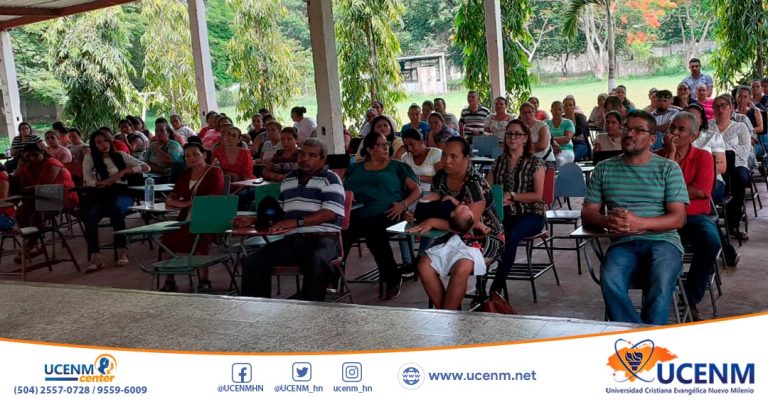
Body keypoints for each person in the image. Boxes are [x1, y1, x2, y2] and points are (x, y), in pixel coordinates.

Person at [581, 110, 689, 325]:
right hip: (623, 243)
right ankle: (641, 339)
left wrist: (642, 223)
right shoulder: (603, 169)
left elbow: (678, 218)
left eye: (638, 130)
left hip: (663, 242)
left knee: (660, 280)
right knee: (610, 279)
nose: (629, 133)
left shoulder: (668, 168)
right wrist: (606, 221)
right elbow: (588, 213)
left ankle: (642, 342)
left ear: (652, 139)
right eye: (626, 128)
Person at [236, 138, 346, 301]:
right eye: (302, 154)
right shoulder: (289, 180)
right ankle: (257, 312)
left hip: (324, 239)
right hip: (293, 239)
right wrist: (252, 220)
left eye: (312, 155)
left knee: (316, 260)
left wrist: (296, 222)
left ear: (322, 159)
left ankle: (312, 313)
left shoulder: (330, 179)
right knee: (252, 261)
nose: (305, 159)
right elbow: (279, 213)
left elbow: (330, 213)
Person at [343, 132, 421, 300]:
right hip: (358, 212)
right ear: (370, 149)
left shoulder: (396, 167)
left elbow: (417, 190)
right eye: (381, 145)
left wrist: (403, 205)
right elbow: (344, 189)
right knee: (341, 231)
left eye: (387, 144)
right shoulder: (355, 168)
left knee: (375, 234)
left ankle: (392, 278)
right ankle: (333, 277)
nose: (387, 147)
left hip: (390, 212)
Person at [656, 112, 719, 321]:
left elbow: (701, 191)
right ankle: (658, 296)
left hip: (693, 217)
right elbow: (656, 189)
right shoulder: (655, 156)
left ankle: (690, 298)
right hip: (660, 217)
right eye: (672, 127)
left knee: (711, 241)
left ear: (692, 136)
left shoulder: (703, 157)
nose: (674, 133)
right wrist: (671, 155)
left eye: (681, 130)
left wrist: (669, 191)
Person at [486, 119, 546, 294]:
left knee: (509, 235)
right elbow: (487, 189)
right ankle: (481, 283)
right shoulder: (499, 162)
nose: (512, 137)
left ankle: (494, 290)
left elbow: (538, 196)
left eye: (517, 134)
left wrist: (512, 196)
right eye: (509, 134)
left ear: (525, 138)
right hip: (504, 214)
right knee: (485, 232)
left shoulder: (535, 162)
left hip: (531, 214)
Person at [159, 142, 224, 292]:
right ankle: (170, 280)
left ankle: (204, 279)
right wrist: (171, 198)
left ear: (204, 155)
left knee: (199, 237)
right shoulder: (186, 174)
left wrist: (185, 203)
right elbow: (176, 192)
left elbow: (213, 195)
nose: (191, 158)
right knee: (166, 239)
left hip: (207, 219)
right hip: (185, 219)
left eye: (195, 154)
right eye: (187, 156)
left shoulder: (214, 172)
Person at [81, 129, 149, 272]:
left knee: (116, 211)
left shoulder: (120, 155)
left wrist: (124, 172)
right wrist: (102, 182)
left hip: (121, 193)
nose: (103, 144)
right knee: (90, 217)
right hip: (100, 193)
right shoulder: (90, 158)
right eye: (99, 142)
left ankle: (121, 250)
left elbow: (145, 167)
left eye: (106, 141)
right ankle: (96, 256)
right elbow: (87, 180)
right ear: (94, 145)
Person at [411, 196, 481, 310]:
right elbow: (430, 206)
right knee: (424, 267)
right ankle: (449, 315)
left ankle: (448, 316)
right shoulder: (442, 183)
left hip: (478, 239)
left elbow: (468, 226)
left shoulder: (475, 185)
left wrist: (433, 221)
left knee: (461, 268)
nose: (466, 208)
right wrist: (413, 216)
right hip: (448, 237)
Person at [13, 144, 79, 261]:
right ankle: (34, 244)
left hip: (63, 196)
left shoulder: (52, 163)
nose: (32, 158)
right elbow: (19, 186)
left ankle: (29, 245)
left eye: (35, 155)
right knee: (20, 212)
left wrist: (31, 188)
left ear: (42, 153)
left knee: (38, 213)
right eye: (28, 156)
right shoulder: (26, 168)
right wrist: (20, 164)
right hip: (40, 196)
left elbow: (45, 185)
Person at [709, 94, 752, 240]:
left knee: (738, 177)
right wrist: (726, 150)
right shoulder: (709, 126)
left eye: (723, 106)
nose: (720, 109)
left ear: (731, 108)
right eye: (716, 106)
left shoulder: (740, 127)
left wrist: (720, 148)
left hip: (738, 164)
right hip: (715, 165)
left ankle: (733, 223)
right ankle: (712, 221)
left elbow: (745, 152)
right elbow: (704, 149)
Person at [401, 128, 443, 192]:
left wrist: (418, 178)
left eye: (412, 144)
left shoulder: (436, 153)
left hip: (432, 193)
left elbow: (441, 179)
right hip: (412, 194)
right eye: (406, 146)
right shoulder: (405, 158)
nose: (409, 149)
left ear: (421, 141)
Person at [546, 101, 575, 166]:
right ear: (551, 110)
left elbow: (567, 139)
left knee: (559, 160)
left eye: (559, 109)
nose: (557, 112)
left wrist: (550, 140)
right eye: (555, 109)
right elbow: (542, 138)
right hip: (549, 150)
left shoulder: (568, 123)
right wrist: (553, 142)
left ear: (563, 111)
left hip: (565, 150)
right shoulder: (545, 123)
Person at [563, 96, 590, 161]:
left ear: (574, 107)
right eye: (566, 105)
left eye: (570, 105)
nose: (568, 107)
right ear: (563, 107)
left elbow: (580, 130)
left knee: (572, 156)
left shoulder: (580, 117)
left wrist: (567, 134)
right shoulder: (561, 119)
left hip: (579, 143)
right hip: (564, 145)